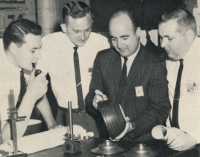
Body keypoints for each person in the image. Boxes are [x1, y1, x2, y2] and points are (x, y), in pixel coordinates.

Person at [85, 10, 170, 142]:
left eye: (124, 38)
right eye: (114, 39)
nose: (119, 45)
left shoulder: (155, 63)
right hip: (109, 142)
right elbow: (90, 97)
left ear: (137, 33)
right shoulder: (103, 59)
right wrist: (94, 102)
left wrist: (131, 126)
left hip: (143, 144)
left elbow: (159, 110)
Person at [37, 1, 110, 136]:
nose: (83, 37)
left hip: (97, 117)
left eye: (87, 30)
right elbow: (35, 87)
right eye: (76, 31)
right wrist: (51, 123)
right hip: (64, 117)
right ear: (64, 27)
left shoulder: (101, 43)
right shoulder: (49, 44)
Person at [0, 19, 60, 142]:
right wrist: (30, 96)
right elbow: (7, 137)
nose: (39, 56)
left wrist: (51, 124)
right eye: (33, 51)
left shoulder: (20, 59)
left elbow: (36, 87)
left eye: (39, 49)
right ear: (14, 48)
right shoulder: (3, 75)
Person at [158, 8, 200, 151]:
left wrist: (195, 136)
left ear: (188, 35)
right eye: (161, 37)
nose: (163, 44)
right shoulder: (170, 61)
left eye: (169, 38)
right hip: (175, 144)